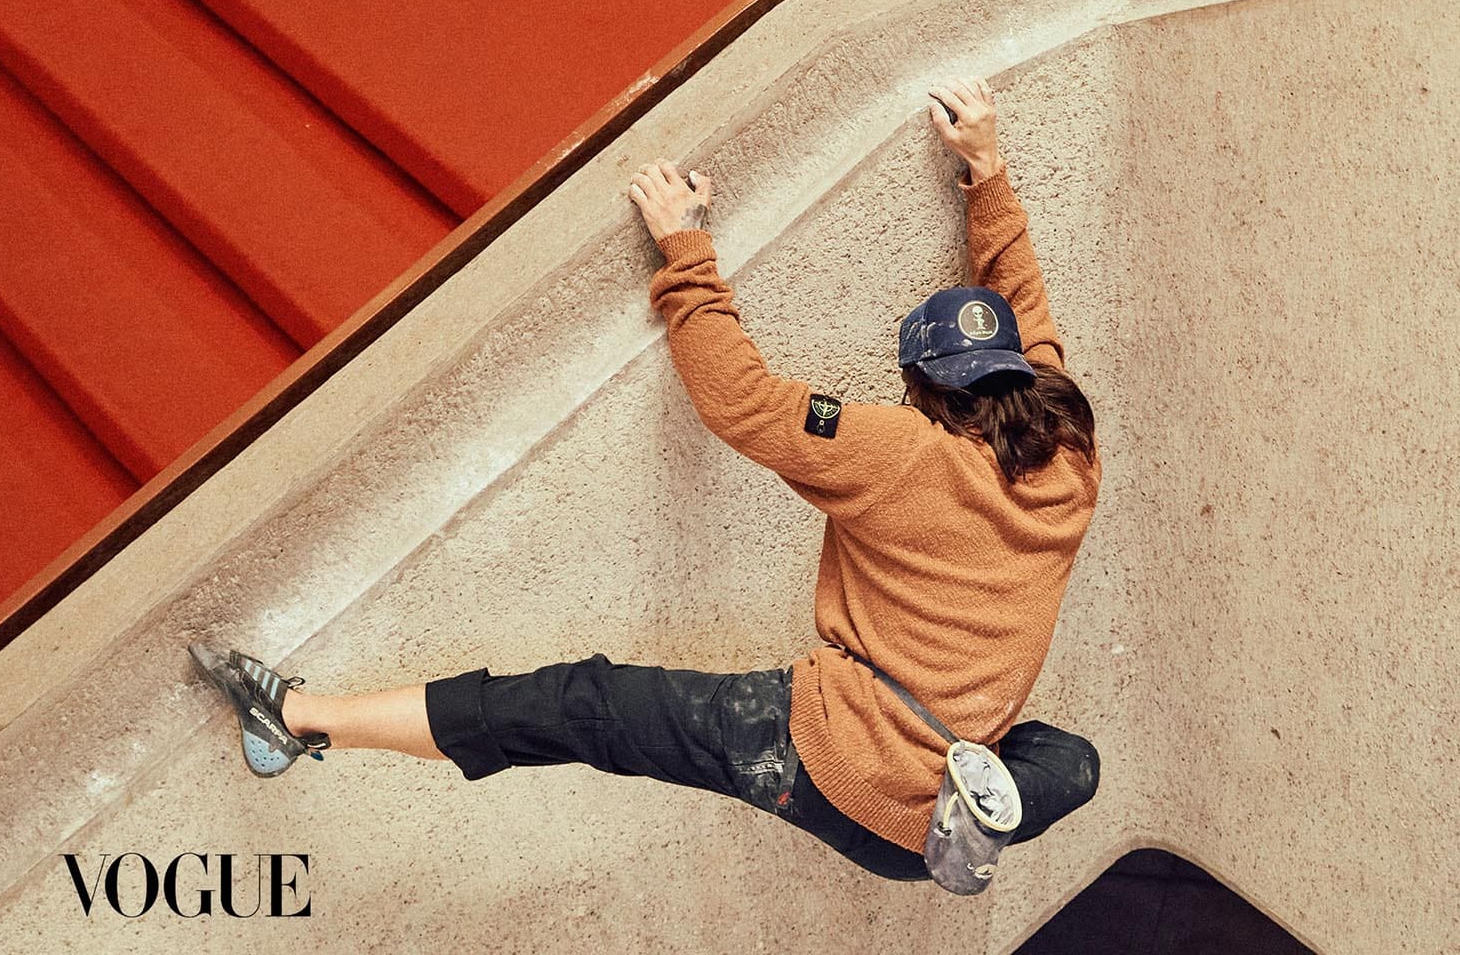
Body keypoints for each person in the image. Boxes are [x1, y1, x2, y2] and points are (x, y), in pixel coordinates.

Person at [188, 75, 1102, 881]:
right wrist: (988, 168)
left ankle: (299, 718)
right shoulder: (1070, 450)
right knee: (1075, 761)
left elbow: (742, 401)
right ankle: (993, 796)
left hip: (831, 764)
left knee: (577, 706)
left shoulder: (895, 453)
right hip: (937, 820)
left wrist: (685, 251)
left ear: (917, 387)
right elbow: (1029, 308)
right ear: (1018, 374)